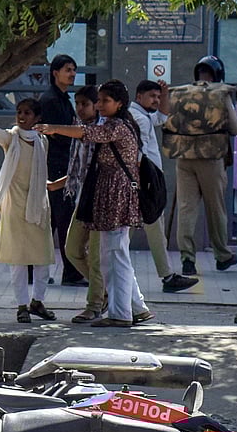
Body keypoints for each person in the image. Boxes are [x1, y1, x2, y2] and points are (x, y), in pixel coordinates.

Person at [37, 80, 154, 328]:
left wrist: (53, 128)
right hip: (110, 195)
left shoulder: (118, 126)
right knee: (114, 254)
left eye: (105, 101)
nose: (100, 105)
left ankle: (120, 314)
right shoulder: (118, 124)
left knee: (113, 256)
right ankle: (137, 308)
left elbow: (89, 134)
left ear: (120, 103)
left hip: (117, 195)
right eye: (98, 101)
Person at [0, 99, 56, 323]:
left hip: (38, 204)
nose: (22, 116)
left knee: (42, 259)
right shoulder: (12, 138)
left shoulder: (43, 141)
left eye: (27, 113)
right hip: (14, 204)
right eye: (19, 112)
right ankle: (22, 306)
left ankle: (38, 302)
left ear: (37, 118)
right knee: (17, 259)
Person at [161, 55, 237, 275]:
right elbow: (234, 129)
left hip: (184, 156)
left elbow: (169, 122)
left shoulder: (180, 92)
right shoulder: (220, 93)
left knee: (186, 209)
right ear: (218, 73)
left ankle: (187, 259)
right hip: (211, 157)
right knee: (216, 208)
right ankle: (222, 255)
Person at [131, 80, 199, 292]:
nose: (157, 100)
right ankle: (167, 277)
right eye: (152, 96)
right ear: (139, 96)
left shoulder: (143, 116)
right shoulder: (139, 120)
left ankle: (168, 276)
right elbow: (137, 154)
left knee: (147, 229)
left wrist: (165, 93)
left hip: (145, 182)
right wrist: (143, 183)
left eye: (158, 97)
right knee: (131, 231)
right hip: (145, 183)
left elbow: (162, 116)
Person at [50, 85, 107, 322]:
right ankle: (105, 292)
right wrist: (56, 185)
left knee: (95, 257)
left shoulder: (103, 129)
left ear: (97, 105)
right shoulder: (78, 127)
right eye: (78, 103)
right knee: (72, 250)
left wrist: (53, 128)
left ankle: (94, 304)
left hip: (100, 202)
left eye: (85, 104)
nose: (80, 108)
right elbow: (77, 171)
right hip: (81, 200)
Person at [38, 54, 88, 286]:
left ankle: (38, 269)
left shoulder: (62, 98)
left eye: (74, 70)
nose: (72, 74)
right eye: (67, 69)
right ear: (55, 72)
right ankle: (70, 272)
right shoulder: (50, 100)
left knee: (54, 221)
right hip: (55, 164)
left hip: (63, 163)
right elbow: (57, 134)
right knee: (62, 220)